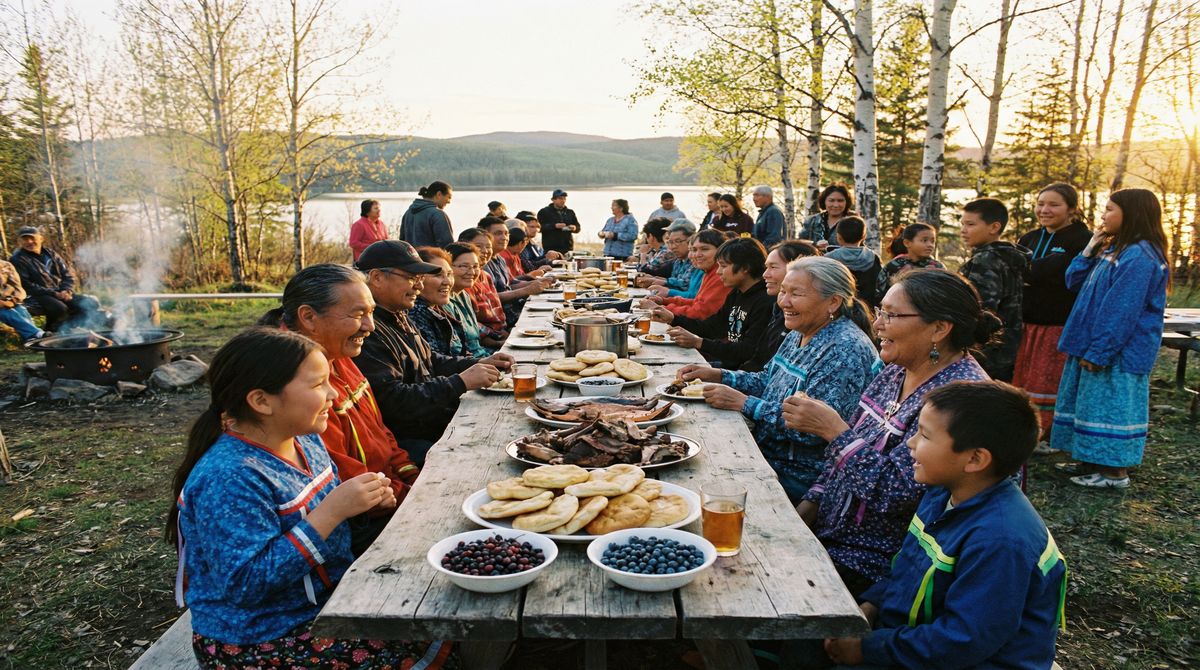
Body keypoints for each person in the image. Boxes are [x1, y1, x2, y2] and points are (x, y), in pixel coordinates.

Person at [168, 327, 456, 668]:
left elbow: (321, 518)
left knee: (445, 610)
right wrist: (332, 512)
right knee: (433, 640)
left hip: (325, 601)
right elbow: (245, 584)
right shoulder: (230, 477)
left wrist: (361, 506)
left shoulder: (305, 440)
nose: (334, 393)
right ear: (261, 401)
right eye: (319, 384)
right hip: (260, 636)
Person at [818, 382, 1066, 670]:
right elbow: (906, 567)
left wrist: (868, 649)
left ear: (975, 459)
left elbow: (962, 641)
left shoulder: (1000, 541)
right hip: (914, 645)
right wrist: (870, 607)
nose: (910, 443)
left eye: (923, 435)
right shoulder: (942, 492)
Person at [782, 269, 997, 594]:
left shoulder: (960, 398)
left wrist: (834, 430)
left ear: (939, 328)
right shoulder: (895, 371)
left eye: (892, 315)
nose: (877, 324)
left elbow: (896, 494)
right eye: (880, 311)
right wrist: (807, 508)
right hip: (829, 536)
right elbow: (837, 464)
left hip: (877, 567)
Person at [677, 257, 878, 503]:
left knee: (694, 484)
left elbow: (813, 430)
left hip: (797, 475)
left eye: (796, 293)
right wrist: (720, 375)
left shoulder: (845, 349)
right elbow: (768, 381)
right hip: (765, 452)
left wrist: (745, 403)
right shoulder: (800, 331)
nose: (784, 301)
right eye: (783, 291)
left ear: (833, 302)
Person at [258, 265, 421, 555]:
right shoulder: (292, 384)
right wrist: (414, 496)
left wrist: (411, 475)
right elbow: (339, 475)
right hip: (360, 516)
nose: (370, 326)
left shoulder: (338, 353)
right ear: (308, 317)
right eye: (358, 314)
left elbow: (380, 430)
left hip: (386, 491)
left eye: (370, 313)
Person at [354, 240, 513, 466]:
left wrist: (480, 362)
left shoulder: (398, 314)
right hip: (411, 440)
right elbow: (394, 401)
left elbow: (431, 360)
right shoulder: (367, 331)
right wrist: (460, 382)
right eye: (411, 277)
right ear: (377, 278)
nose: (418, 286)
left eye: (420, 278)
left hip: (434, 420)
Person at [1051, 188, 1169, 489]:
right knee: (1090, 403)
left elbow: (1122, 310)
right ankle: (1090, 460)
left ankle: (1114, 473)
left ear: (1131, 215)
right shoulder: (1113, 249)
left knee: (1110, 405)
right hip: (1089, 341)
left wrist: (1100, 351)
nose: (1103, 216)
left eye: (1110, 210)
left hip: (1117, 351)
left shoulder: (1140, 256)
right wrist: (1089, 248)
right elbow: (1072, 281)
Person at [1013, 183, 1093, 449]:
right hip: (1026, 322)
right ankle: (1022, 431)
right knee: (1023, 380)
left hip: (1059, 324)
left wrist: (1036, 273)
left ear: (1072, 209)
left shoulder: (1081, 239)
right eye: (1041, 204)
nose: (1044, 210)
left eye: (1053, 204)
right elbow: (1016, 272)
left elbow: (1066, 277)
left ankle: (1048, 436)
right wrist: (1040, 272)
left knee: (1049, 381)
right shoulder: (1030, 238)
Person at [648, 238, 774, 371]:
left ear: (745, 268)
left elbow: (747, 351)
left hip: (741, 374)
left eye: (724, 266)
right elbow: (712, 327)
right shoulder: (737, 293)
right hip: (728, 365)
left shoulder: (765, 302)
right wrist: (673, 318)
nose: (719, 271)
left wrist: (698, 342)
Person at [957, 198, 1030, 382]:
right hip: (1008, 344)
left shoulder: (986, 259)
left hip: (987, 347)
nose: (963, 230)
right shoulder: (1007, 256)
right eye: (962, 224)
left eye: (970, 224)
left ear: (994, 227)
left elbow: (980, 307)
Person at [742, 240, 820, 372]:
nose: (765, 274)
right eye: (766, 267)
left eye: (773, 267)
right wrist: (724, 376)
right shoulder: (778, 310)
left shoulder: (806, 321)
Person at [10, 226, 104, 332]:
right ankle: (53, 331)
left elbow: (67, 275)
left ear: (41, 238)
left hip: (60, 292)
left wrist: (66, 290)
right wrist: (54, 293)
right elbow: (27, 285)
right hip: (38, 295)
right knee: (60, 308)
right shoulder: (18, 259)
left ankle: (71, 328)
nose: (29, 242)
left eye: (32, 238)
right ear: (20, 241)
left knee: (90, 302)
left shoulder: (51, 253)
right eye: (25, 239)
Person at [642, 229, 732, 321]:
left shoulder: (720, 275)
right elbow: (697, 302)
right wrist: (664, 301)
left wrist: (660, 308)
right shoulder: (708, 270)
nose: (697, 254)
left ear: (721, 250)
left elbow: (700, 312)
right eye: (693, 250)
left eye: (704, 249)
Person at [475, 219, 550, 327]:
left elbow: (511, 282)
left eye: (506, 233)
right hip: (506, 319)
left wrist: (538, 282)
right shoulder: (480, 264)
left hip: (512, 312)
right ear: (485, 235)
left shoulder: (499, 258)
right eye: (498, 233)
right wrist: (527, 289)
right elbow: (492, 298)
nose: (504, 237)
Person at [410, 247, 481, 359]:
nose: (448, 282)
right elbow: (435, 363)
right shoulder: (415, 313)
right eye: (438, 275)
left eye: (449, 274)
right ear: (417, 279)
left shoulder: (436, 308)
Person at [445, 242, 498, 355]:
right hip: (472, 365)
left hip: (484, 355)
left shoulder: (463, 295)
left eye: (475, 266)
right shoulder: (441, 301)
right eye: (464, 266)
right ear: (447, 268)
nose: (472, 272)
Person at [457, 230, 508, 342]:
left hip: (500, 332)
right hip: (487, 340)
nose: (485, 251)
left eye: (489, 247)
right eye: (478, 246)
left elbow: (497, 311)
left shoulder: (486, 275)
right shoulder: (465, 281)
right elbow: (470, 323)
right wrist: (496, 342)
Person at [876, 222, 944, 300]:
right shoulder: (894, 266)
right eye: (924, 240)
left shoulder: (938, 268)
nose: (930, 245)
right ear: (907, 243)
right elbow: (880, 294)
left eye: (932, 241)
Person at [824, 216, 881, 306]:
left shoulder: (828, 259)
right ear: (864, 236)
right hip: (867, 308)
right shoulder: (873, 258)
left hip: (837, 307)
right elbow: (879, 286)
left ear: (838, 237)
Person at [0, 258, 48, 343]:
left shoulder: (6, 265)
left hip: (7, 300)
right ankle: (37, 333)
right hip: (2, 305)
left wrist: (13, 301)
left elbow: (17, 287)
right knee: (6, 313)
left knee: (20, 309)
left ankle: (31, 338)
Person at [399, 181, 454, 248]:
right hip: (432, 258)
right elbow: (447, 246)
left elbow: (402, 242)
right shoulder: (437, 214)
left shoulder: (408, 213)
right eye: (449, 197)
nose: (449, 202)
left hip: (412, 258)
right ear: (439, 194)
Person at [801, 183, 855, 249]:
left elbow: (866, 248)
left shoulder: (855, 222)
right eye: (831, 200)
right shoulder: (812, 221)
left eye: (840, 201)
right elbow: (799, 244)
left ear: (847, 202)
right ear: (824, 201)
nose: (836, 205)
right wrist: (815, 245)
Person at [536, 188, 580, 254]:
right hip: (550, 249)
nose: (563, 201)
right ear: (553, 200)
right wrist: (554, 226)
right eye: (560, 198)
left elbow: (578, 228)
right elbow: (538, 228)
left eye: (564, 198)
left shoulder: (570, 212)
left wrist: (574, 228)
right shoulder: (544, 212)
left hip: (568, 249)